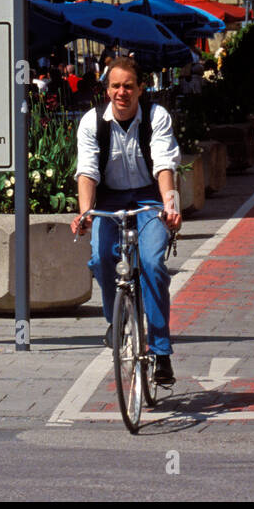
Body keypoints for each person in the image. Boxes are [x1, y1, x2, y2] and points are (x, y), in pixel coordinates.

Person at [72, 56, 183, 385]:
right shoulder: (92, 122)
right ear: (107, 89)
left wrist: (171, 205)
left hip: (149, 198)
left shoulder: (155, 116)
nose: (122, 92)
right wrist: (85, 212)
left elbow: (165, 163)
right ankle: (116, 319)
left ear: (141, 88)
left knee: (152, 263)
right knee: (100, 257)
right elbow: (87, 170)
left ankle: (161, 351)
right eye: (116, 86)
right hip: (108, 198)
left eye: (129, 86)